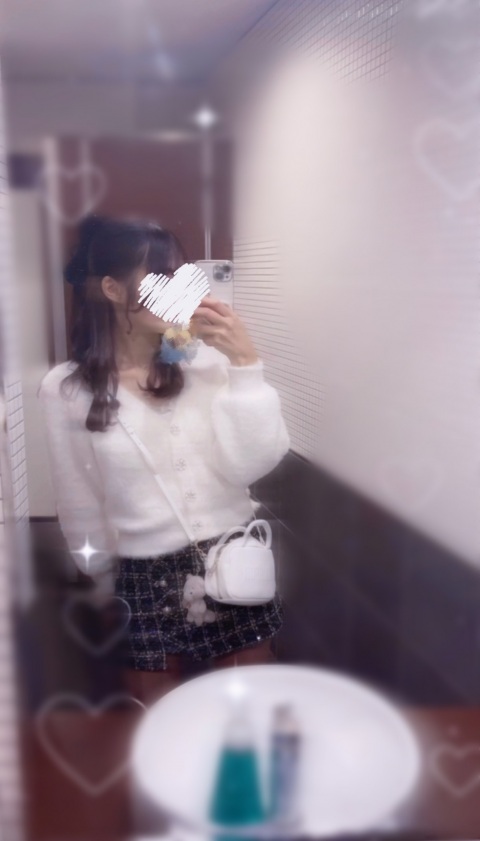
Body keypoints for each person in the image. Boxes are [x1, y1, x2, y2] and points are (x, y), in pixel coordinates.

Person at [39, 214, 290, 704]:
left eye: (181, 275)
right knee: (154, 717)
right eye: (160, 276)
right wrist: (104, 584)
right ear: (112, 289)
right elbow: (78, 501)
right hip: (139, 574)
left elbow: (252, 466)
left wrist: (245, 364)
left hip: (233, 554)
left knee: (249, 708)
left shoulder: (208, 363)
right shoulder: (66, 390)